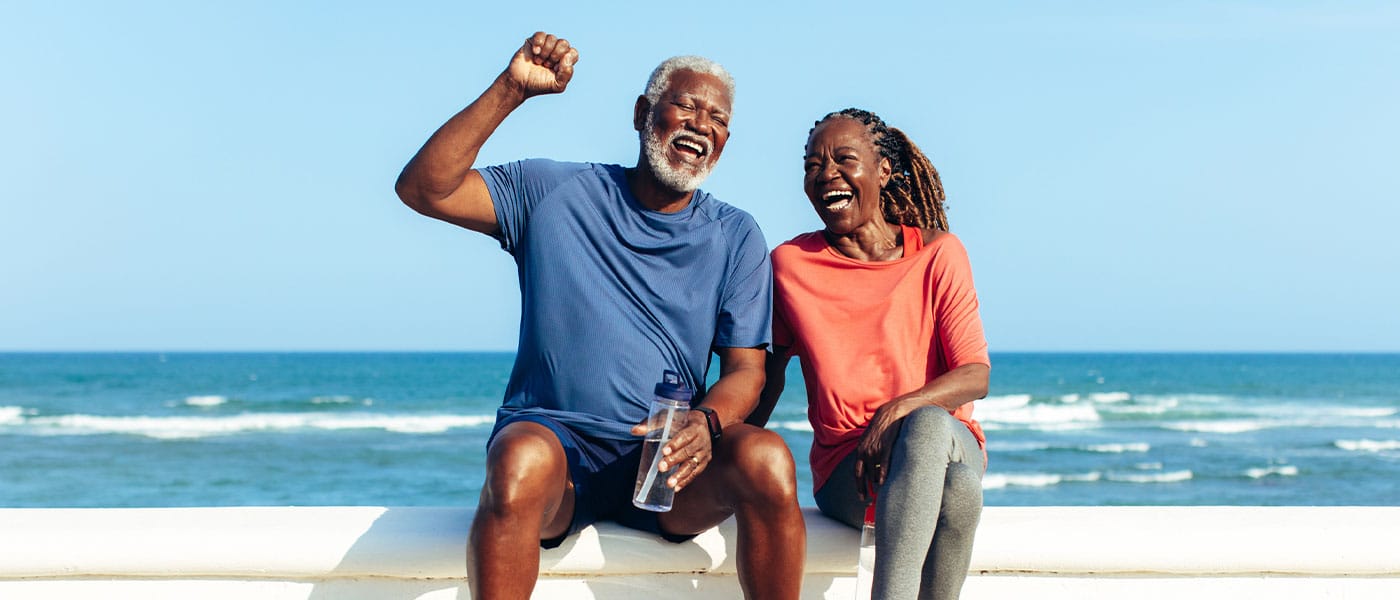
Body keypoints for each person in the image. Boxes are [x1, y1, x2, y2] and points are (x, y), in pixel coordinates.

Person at [394, 32, 805, 600]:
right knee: (515, 464)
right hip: (557, 451)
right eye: (685, 105)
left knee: (768, 458)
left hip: (666, 468)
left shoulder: (736, 234)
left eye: (716, 118)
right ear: (643, 114)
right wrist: (511, 89)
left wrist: (706, 425)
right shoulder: (553, 192)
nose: (699, 125)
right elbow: (423, 188)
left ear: (725, 141)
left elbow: (746, 372)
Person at [751, 108, 989, 600]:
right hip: (850, 468)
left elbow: (974, 374)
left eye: (843, 160)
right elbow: (766, 377)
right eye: (812, 165)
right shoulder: (791, 266)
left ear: (882, 171)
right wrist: (725, 452)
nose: (826, 175)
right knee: (961, 489)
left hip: (945, 440)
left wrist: (897, 410)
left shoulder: (938, 254)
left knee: (925, 426)